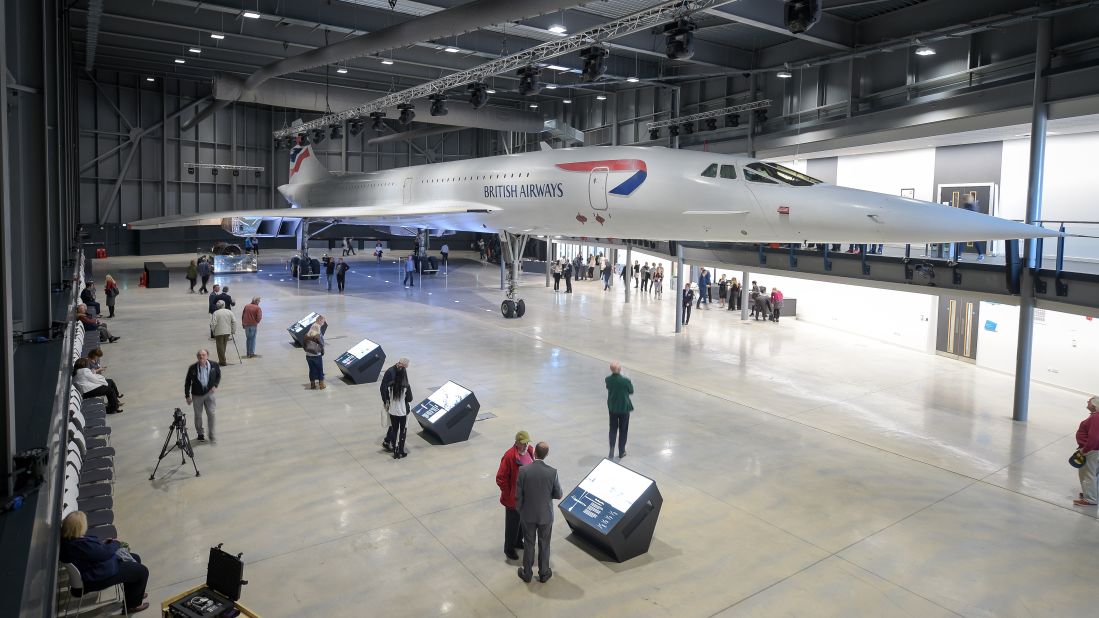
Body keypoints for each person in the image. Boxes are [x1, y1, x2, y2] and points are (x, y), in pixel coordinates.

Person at [59, 511, 150, 613]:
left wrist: (104, 545)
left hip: (91, 570)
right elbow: (104, 554)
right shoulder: (80, 546)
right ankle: (133, 605)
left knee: (135, 558)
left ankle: (134, 596)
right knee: (142, 572)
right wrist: (115, 543)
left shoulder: (69, 540)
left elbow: (97, 552)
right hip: (95, 577)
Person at [516, 441, 562, 584]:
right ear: (546, 454)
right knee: (544, 544)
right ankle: (543, 573)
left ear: (534, 453)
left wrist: (521, 510)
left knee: (529, 543)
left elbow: (518, 496)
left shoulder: (523, 471)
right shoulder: (552, 472)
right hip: (545, 516)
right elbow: (558, 494)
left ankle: (527, 573)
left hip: (528, 515)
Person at [496, 431, 535, 560]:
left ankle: (518, 542)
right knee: (512, 525)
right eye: (523, 443)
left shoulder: (529, 451)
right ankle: (509, 549)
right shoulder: (509, 456)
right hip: (514, 499)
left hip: (526, 497)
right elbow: (501, 478)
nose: (525, 445)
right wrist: (509, 494)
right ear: (517, 443)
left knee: (522, 522)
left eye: (527, 443)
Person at [184, 349, 220, 442]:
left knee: (211, 414)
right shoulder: (192, 368)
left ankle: (211, 435)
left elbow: (218, 375)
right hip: (197, 395)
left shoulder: (214, 365)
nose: (201, 357)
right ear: (197, 357)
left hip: (209, 394)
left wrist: (215, 385)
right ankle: (200, 433)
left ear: (207, 356)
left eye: (203, 355)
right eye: (199, 355)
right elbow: (187, 382)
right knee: (198, 416)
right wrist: (187, 396)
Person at [380, 358, 413, 458]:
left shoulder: (391, 385)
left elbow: (386, 389)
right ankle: (400, 450)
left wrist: (388, 400)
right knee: (402, 430)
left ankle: (393, 447)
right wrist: (385, 401)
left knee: (394, 428)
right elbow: (410, 398)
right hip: (402, 411)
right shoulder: (405, 385)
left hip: (392, 410)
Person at [605, 362, 634, 460]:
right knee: (623, 430)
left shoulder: (608, 379)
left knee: (612, 428)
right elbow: (631, 391)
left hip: (612, 408)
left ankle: (612, 448)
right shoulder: (626, 381)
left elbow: (608, 388)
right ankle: (621, 451)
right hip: (624, 409)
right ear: (620, 369)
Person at [1074, 396, 1099, 507]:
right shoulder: (1096, 417)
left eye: (1089, 401)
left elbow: (1094, 437)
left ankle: (1090, 499)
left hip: (1092, 450)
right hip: (1095, 450)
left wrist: (1085, 450)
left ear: (1094, 404)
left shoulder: (1095, 418)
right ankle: (1091, 493)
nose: (1087, 402)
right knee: (1094, 474)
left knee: (1087, 474)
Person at [956, 194, 987, 262]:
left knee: (971, 240)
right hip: (970, 226)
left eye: (963, 199)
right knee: (964, 240)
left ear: (965, 200)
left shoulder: (970, 206)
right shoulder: (971, 205)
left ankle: (981, 255)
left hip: (971, 226)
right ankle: (958, 255)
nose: (962, 201)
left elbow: (969, 215)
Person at [209, 300, 236, 366]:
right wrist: (233, 330)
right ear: (224, 305)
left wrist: (213, 331)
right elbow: (234, 322)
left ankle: (222, 361)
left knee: (220, 347)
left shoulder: (216, 313)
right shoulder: (229, 312)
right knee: (223, 346)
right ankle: (222, 360)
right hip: (227, 332)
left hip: (219, 332)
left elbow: (213, 323)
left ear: (217, 306)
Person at [303, 316, 327, 389]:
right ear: (319, 321)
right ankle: (321, 385)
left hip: (308, 355)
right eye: (323, 322)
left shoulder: (306, 335)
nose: (323, 324)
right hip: (316, 355)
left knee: (312, 370)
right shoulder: (317, 335)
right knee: (320, 370)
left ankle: (312, 384)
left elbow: (304, 345)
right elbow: (321, 344)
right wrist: (322, 351)